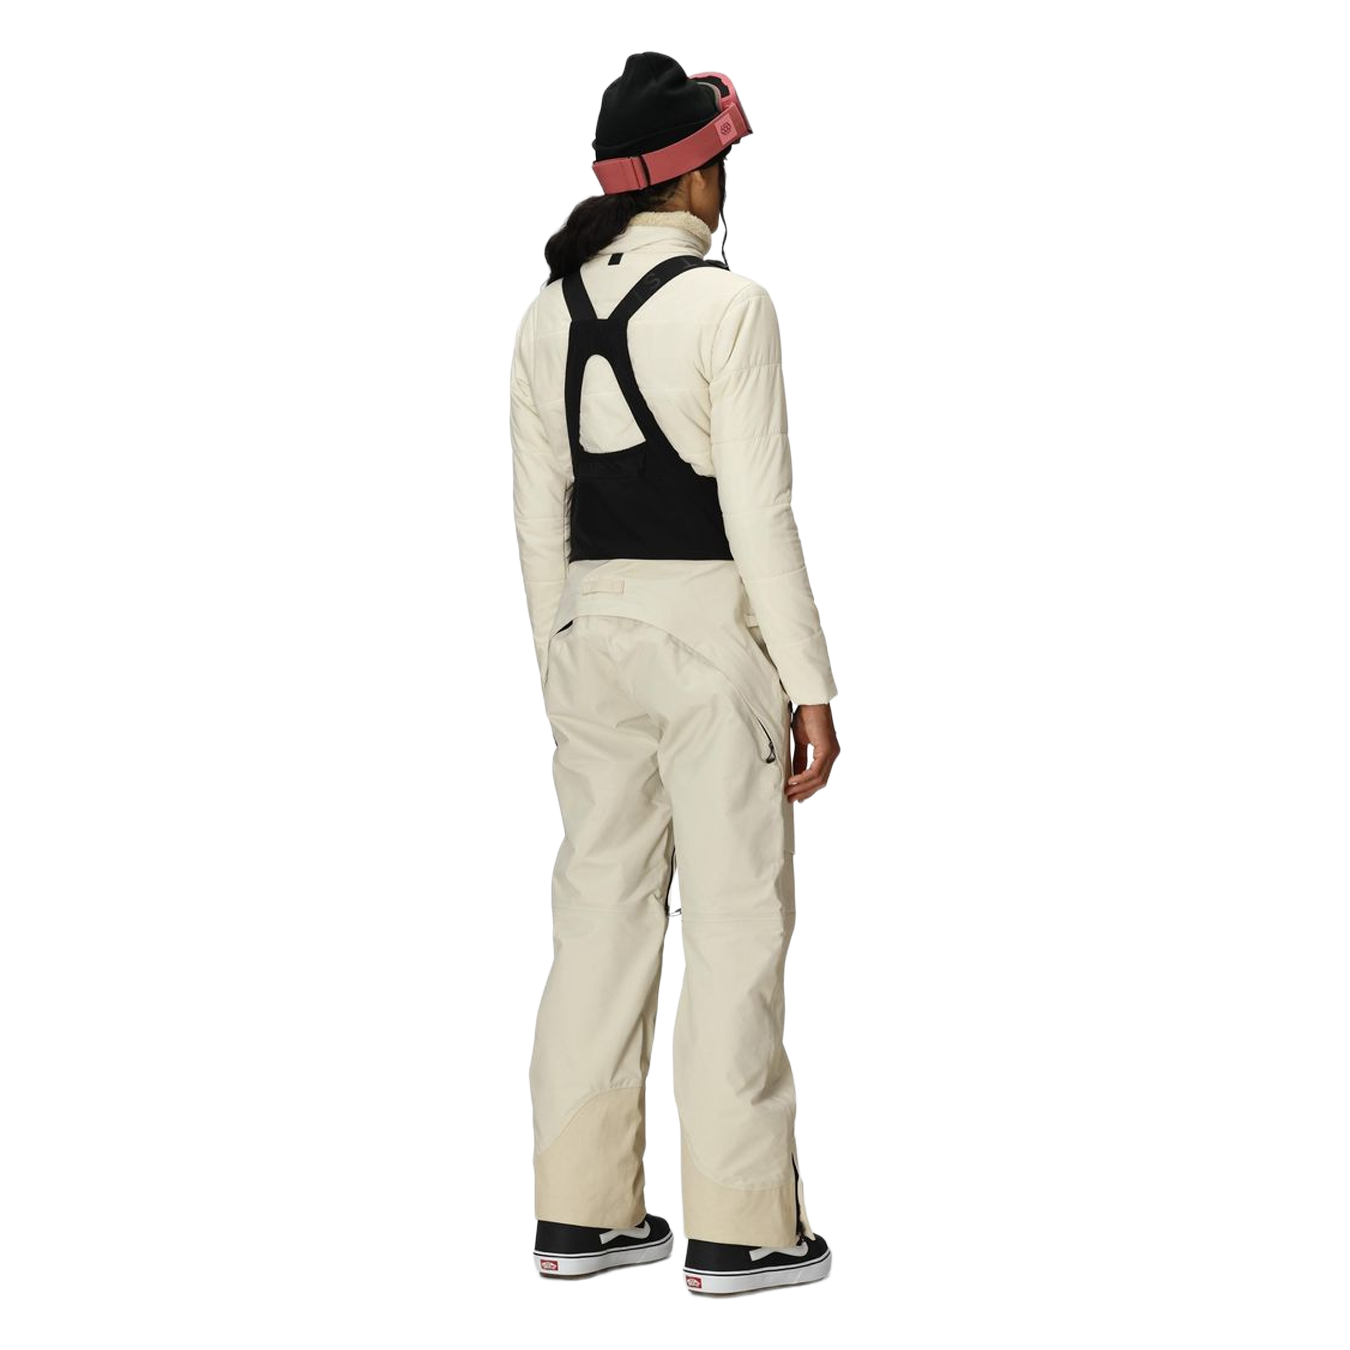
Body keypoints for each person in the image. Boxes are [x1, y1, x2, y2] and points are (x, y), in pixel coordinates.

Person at [509, 51, 841, 1298]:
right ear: (697, 174)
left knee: (596, 926)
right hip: (710, 646)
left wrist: (559, 663)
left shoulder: (544, 315)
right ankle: (743, 1231)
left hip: (587, 642)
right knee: (738, 928)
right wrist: (810, 684)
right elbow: (762, 516)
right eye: (723, 162)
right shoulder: (730, 307)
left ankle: (580, 1216)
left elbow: (537, 524)